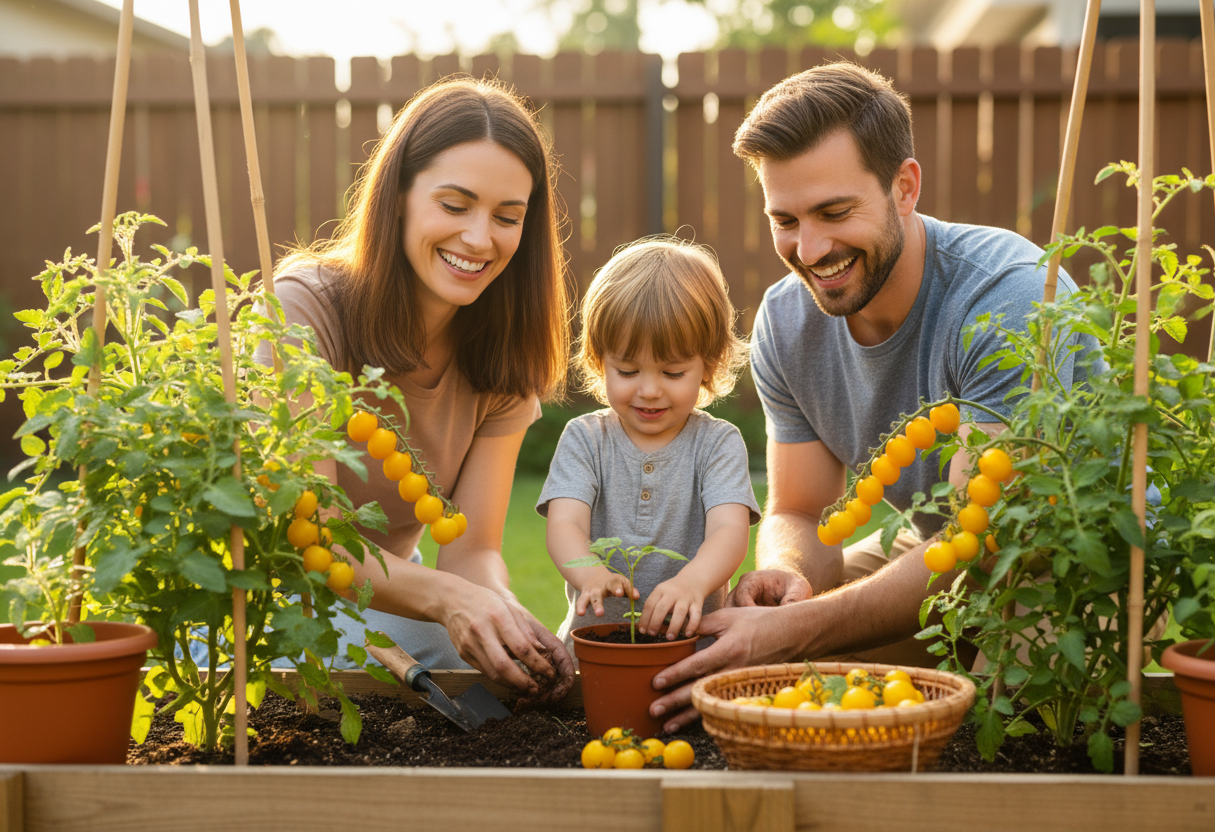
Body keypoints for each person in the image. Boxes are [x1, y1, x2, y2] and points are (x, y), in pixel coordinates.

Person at [647, 61, 1096, 733]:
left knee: (1013, 722)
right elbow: (797, 507)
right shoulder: (788, 322)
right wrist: (788, 576)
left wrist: (796, 632)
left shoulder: (1005, 297)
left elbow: (981, 541)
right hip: (932, 552)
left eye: (834, 212)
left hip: (1065, 562)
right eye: (786, 219)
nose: (811, 248)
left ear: (904, 187)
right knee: (744, 666)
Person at [268, 77, 573, 699]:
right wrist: (450, 600)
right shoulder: (307, 310)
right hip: (262, 606)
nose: (479, 239)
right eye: (455, 206)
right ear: (399, 198)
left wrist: (503, 614)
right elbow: (316, 543)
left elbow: (472, 550)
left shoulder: (502, 353)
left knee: (503, 692)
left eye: (507, 217)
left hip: (385, 609)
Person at [538, 238, 760, 655]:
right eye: (627, 369)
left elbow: (729, 531)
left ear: (708, 366)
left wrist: (692, 583)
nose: (650, 390)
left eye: (673, 372)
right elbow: (565, 524)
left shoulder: (717, 444)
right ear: (598, 360)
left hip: (690, 649)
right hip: (593, 652)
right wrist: (588, 571)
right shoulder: (585, 439)